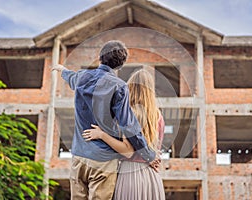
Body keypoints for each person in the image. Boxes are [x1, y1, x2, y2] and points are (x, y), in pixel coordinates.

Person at [52, 40, 159, 200]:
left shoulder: (82, 77)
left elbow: (71, 77)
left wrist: (62, 70)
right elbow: (129, 126)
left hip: (79, 158)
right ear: (120, 65)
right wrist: (149, 155)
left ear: (100, 57)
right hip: (103, 161)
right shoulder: (119, 87)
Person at [82, 69, 166, 200]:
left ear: (131, 88)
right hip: (153, 177)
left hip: (130, 176)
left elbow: (128, 151)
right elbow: (156, 150)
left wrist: (102, 134)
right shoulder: (158, 116)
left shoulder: (130, 114)